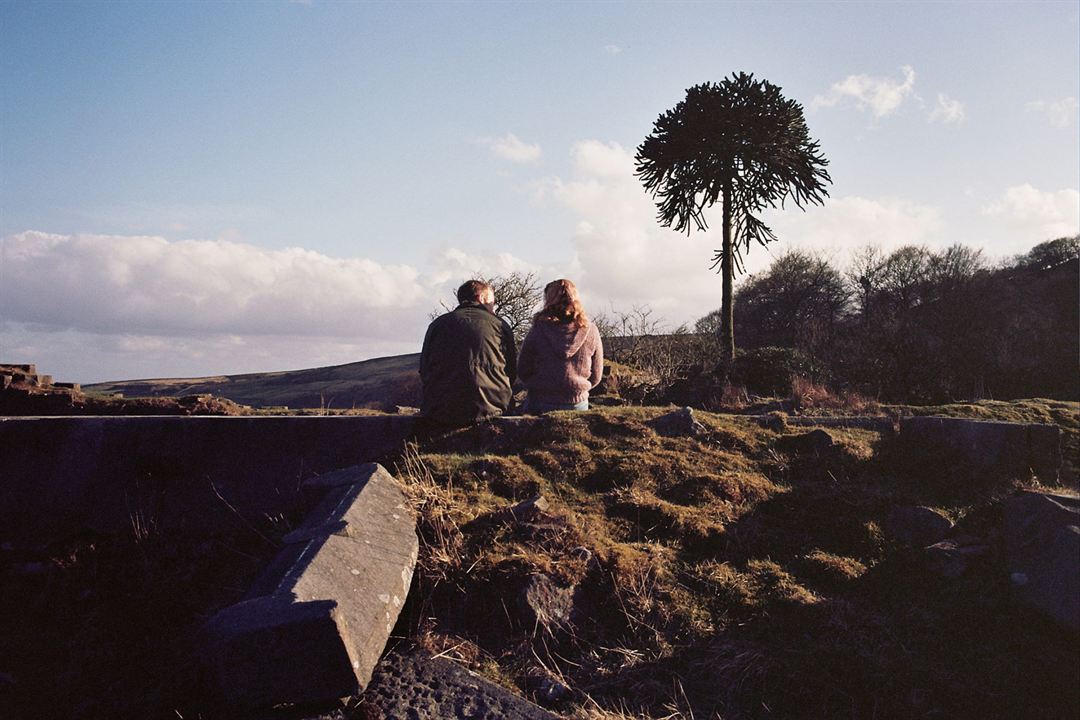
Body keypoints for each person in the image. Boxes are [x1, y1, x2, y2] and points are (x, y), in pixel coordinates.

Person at [419, 280, 517, 426]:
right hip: (493, 406)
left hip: (442, 407)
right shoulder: (500, 325)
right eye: (492, 301)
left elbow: (424, 368)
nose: (493, 306)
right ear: (481, 298)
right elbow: (511, 371)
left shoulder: (438, 325)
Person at [518, 279, 603, 413]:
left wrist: (539, 385)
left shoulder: (538, 328)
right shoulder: (591, 330)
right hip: (577, 402)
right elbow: (597, 375)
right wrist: (577, 388)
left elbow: (523, 368)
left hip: (540, 401)